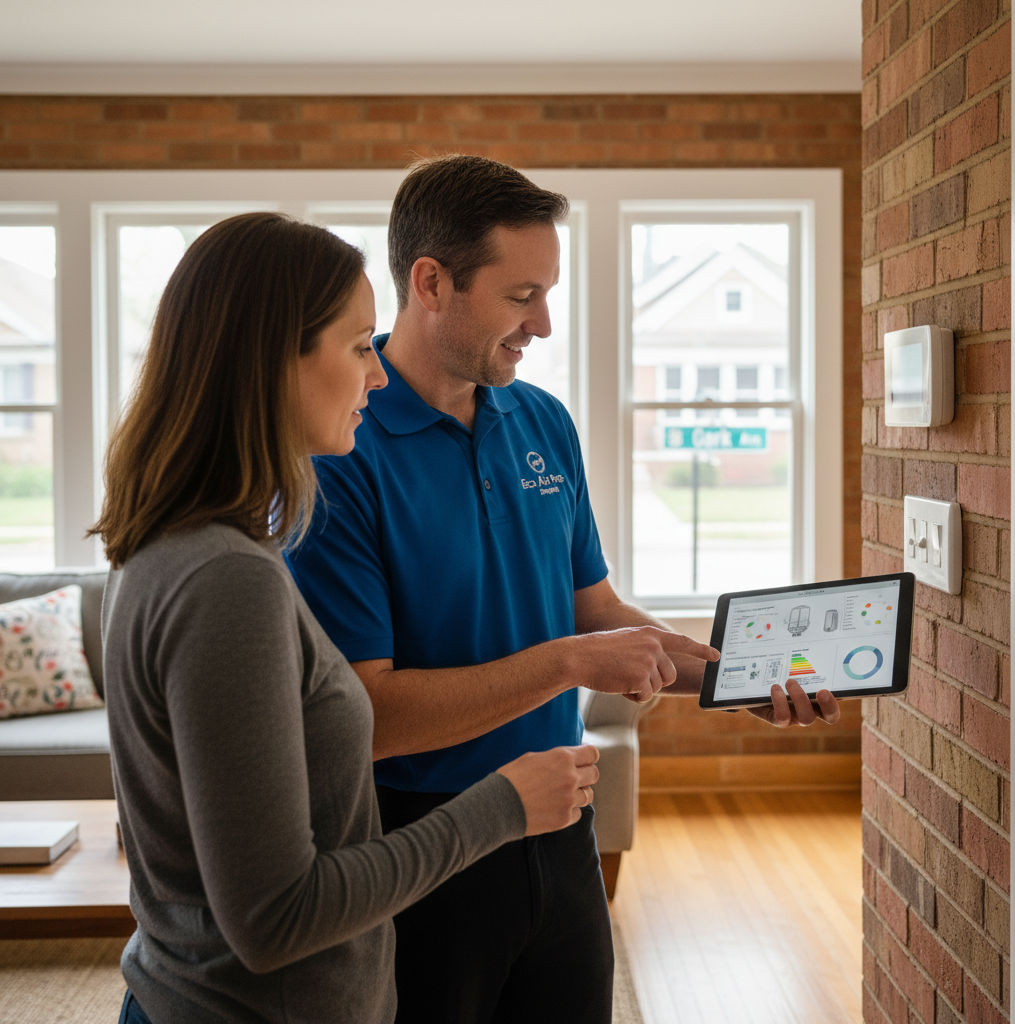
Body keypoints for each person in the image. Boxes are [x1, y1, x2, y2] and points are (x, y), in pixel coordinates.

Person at [286, 155, 841, 1024]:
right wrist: (573, 662)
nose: (543, 323)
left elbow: (596, 612)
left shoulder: (543, 420)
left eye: (548, 292)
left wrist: (736, 682)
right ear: (431, 282)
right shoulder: (340, 451)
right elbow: (369, 716)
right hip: (424, 842)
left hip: (563, 822)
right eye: (520, 296)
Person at [89, 211, 602, 1024]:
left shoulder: (165, 545)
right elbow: (274, 917)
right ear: (269, 363)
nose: (375, 375)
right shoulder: (227, 578)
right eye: (360, 346)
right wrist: (503, 804)